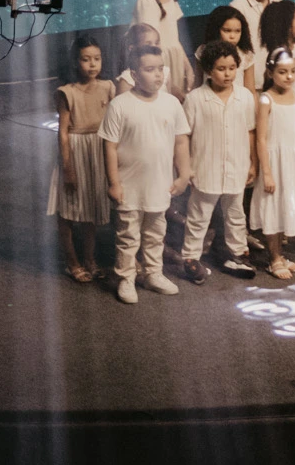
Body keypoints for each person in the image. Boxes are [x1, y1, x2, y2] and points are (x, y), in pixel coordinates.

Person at [99, 46, 192, 304]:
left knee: (155, 233)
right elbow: (109, 146)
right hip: (129, 185)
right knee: (128, 236)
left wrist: (183, 174)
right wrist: (114, 183)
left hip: (159, 184)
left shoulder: (171, 103)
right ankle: (126, 278)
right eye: (149, 69)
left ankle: (153, 273)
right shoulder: (120, 105)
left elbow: (181, 141)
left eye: (160, 68)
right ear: (134, 74)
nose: (157, 75)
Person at [178, 41, 258, 282]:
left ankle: (237, 253)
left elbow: (250, 130)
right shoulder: (195, 99)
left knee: (235, 213)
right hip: (205, 166)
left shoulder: (244, 97)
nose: (228, 74)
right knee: (199, 213)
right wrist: (186, 167)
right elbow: (184, 135)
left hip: (236, 165)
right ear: (209, 70)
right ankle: (191, 257)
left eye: (232, 68)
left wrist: (252, 163)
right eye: (221, 69)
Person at [48, 40, 115, 285]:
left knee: (91, 210)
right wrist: (67, 167)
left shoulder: (108, 87)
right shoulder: (67, 91)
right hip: (75, 151)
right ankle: (71, 261)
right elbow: (63, 131)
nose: (92, 64)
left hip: (98, 150)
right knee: (67, 211)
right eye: (86, 59)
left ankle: (89, 259)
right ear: (76, 61)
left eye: (96, 58)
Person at [250, 48, 295, 279]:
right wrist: (266, 172)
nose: (289, 77)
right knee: (273, 206)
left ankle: (280, 253)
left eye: (293, 71)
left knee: (286, 206)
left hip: (293, 161)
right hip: (274, 162)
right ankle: (274, 257)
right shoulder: (266, 99)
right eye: (282, 72)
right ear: (270, 72)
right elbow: (261, 137)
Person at [132, 0, 193, 97]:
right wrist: (169, 83)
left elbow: (174, 39)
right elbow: (148, 46)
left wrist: (188, 68)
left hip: (174, 63)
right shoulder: (147, 1)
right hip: (159, 66)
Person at [199, 4, 258, 91]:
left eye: (237, 31)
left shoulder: (245, 55)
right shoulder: (202, 51)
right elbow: (198, 83)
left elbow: (251, 90)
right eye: (227, 31)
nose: (232, 36)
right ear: (216, 29)